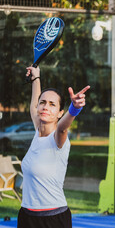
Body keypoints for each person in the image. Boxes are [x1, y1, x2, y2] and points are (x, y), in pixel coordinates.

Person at [17, 66, 90, 228]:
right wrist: (36, 78)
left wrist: (74, 109)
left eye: (52, 104)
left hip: (53, 218)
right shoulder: (38, 132)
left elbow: (63, 127)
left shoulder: (58, 138)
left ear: (59, 112)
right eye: (42, 103)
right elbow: (33, 106)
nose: (45, 107)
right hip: (26, 216)